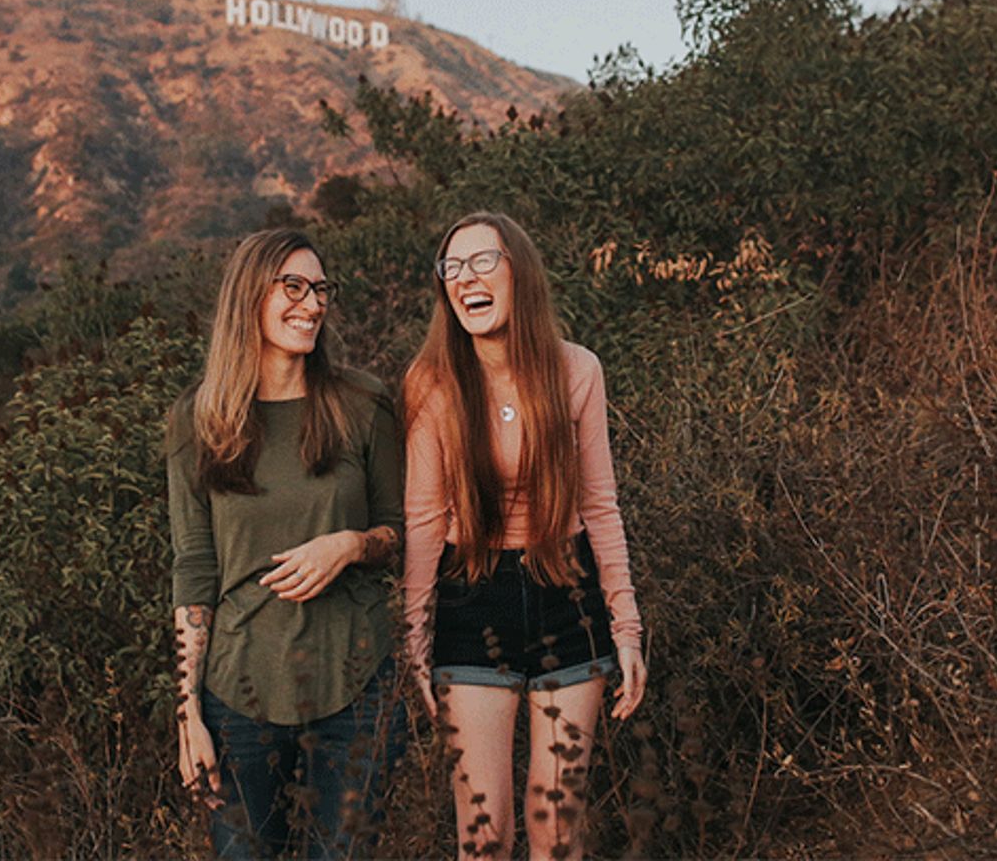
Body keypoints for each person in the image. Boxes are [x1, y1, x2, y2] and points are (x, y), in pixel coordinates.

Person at [403, 212, 647, 861]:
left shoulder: (576, 371)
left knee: (556, 830)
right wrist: (415, 636)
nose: (466, 279)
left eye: (484, 261)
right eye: (452, 267)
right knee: (485, 837)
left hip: (567, 594)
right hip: (471, 597)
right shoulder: (431, 383)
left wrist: (626, 627)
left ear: (520, 274)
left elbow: (601, 506)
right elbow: (423, 519)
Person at [167, 228, 405, 860]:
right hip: (239, 693)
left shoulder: (362, 402)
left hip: (355, 686)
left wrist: (350, 545)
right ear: (250, 295)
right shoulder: (198, 418)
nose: (312, 304)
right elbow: (194, 568)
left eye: (321, 289)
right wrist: (188, 714)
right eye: (293, 287)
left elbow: (401, 530)